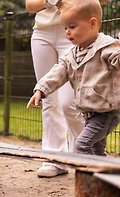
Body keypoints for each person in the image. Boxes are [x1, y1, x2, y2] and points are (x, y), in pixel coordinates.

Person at [27, 0, 120, 156]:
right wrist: (40, 90)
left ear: (92, 23)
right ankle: (104, 175)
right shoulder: (73, 53)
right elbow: (58, 72)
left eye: (72, 27)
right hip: (91, 112)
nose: (67, 32)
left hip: (107, 112)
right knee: (97, 150)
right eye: (65, 28)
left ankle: (87, 178)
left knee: (82, 145)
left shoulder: (106, 47)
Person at [26, 0, 85, 178]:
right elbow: (30, 5)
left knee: (70, 102)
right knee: (49, 100)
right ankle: (54, 158)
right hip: (42, 33)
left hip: (75, 29)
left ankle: (84, 156)